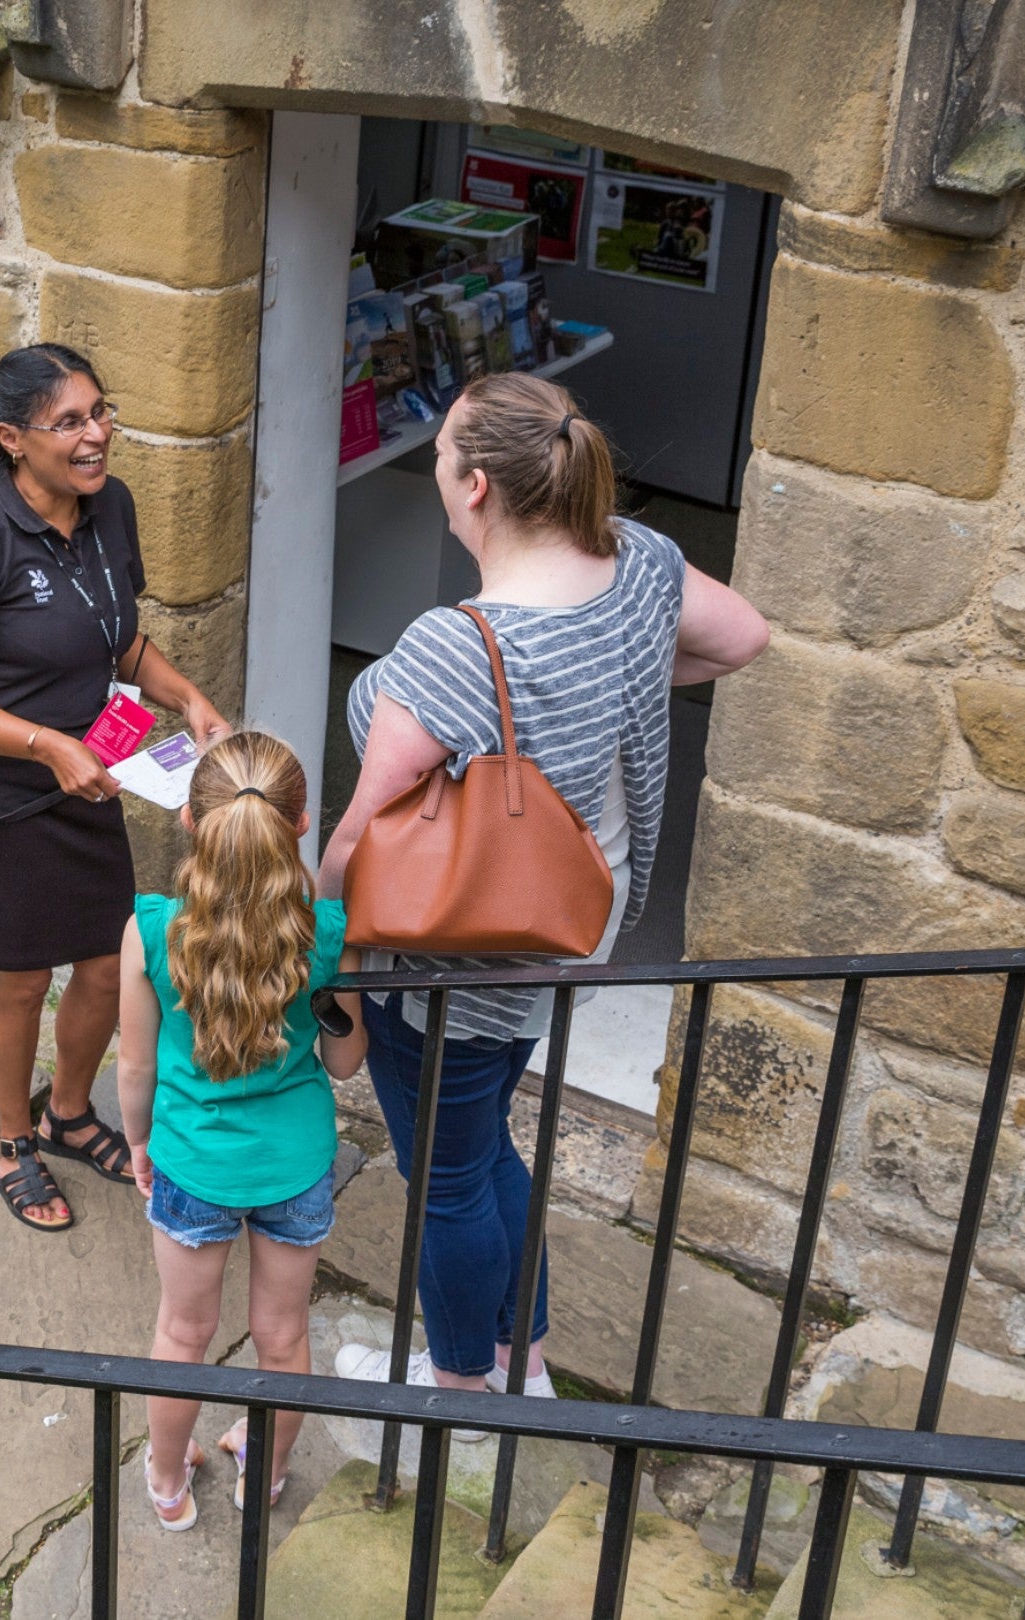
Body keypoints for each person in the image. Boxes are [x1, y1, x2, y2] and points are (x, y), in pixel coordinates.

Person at [318, 372, 769, 1397]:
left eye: (440, 456)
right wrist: (622, 679)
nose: (436, 472)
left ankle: (464, 1386)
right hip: (573, 920)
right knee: (485, 1149)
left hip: (452, 958)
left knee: (443, 1176)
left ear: (475, 487)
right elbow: (743, 637)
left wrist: (332, 964)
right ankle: (524, 1359)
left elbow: (354, 838)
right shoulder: (639, 558)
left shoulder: (459, 648)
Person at [0, 343, 233, 1234]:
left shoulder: (109, 507)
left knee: (103, 968)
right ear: (13, 439)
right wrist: (47, 744)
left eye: (101, 412)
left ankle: (70, 1111)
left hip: (93, 782)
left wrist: (186, 697)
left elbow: (118, 637)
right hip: (6, 797)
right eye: (71, 423)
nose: (97, 436)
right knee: (21, 983)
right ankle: (12, 1143)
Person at [117, 732, 363, 1527]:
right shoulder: (327, 935)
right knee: (283, 1336)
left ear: (191, 821)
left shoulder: (155, 930)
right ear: (300, 826)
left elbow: (135, 1071)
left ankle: (165, 1482)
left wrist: (138, 1143)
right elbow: (347, 1059)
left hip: (193, 1164)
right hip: (296, 1165)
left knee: (182, 1332)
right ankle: (269, 1471)